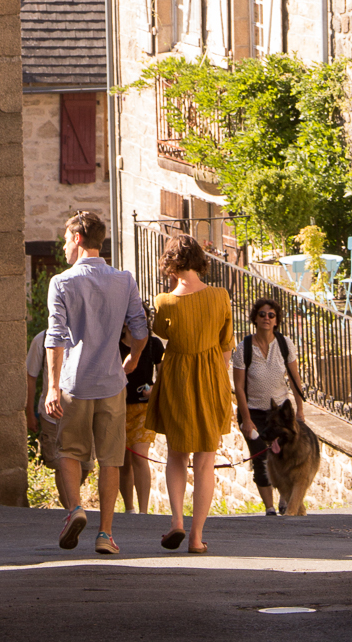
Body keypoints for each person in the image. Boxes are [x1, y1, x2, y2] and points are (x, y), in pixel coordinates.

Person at [44, 210, 149, 557]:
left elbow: (56, 337)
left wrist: (52, 386)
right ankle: (105, 534)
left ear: (77, 239)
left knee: (70, 452)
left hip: (76, 382)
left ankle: (75, 508)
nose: (63, 247)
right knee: (110, 460)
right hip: (112, 383)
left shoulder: (61, 282)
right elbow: (140, 329)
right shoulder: (124, 279)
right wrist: (132, 359)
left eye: (64, 240)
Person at [144, 233, 234, 555]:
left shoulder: (164, 301)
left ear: (170, 263)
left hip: (178, 377)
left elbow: (162, 333)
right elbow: (226, 346)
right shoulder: (220, 297)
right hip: (211, 377)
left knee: (177, 455)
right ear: (198, 260)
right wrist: (218, 378)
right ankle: (196, 538)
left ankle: (177, 522)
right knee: (206, 460)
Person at [231, 297, 308, 514]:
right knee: (261, 457)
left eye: (271, 315)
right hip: (253, 412)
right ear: (255, 318)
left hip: (280, 415)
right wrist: (246, 419)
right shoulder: (244, 347)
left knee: (283, 456)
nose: (266, 318)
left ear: (276, 320)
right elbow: (239, 387)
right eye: (262, 314)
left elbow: (295, 380)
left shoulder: (284, 345)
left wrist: (300, 410)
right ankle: (270, 508)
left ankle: (285, 499)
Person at [25, 324, 93, 498]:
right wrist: (29, 413)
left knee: (86, 465)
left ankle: (71, 502)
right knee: (59, 464)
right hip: (52, 416)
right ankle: (72, 508)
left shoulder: (85, 337)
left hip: (82, 413)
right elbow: (30, 377)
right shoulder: (41, 340)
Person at [118, 325, 163, 514]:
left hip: (144, 408)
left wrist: (154, 390)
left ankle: (143, 511)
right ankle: (130, 509)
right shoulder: (114, 345)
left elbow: (164, 373)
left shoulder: (154, 344)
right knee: (122, 461)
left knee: (139, 454)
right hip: (118, 408)